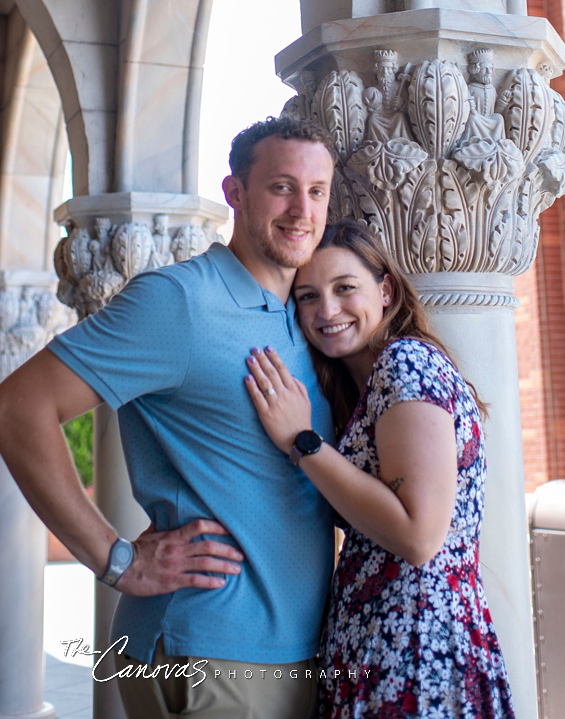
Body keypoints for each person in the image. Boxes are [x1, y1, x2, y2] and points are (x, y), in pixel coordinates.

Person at [0, 116, 338, 718]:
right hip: (206, 650)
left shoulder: (306, 315)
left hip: (297, 651)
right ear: (235, 193)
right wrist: (116, 559)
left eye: (316, 191)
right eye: (281, 187)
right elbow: (18, 407)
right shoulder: (178, 302)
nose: (301, 210)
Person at [242, 218, 513, 718]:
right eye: (307, 296)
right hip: (379, 637)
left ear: (385, 290)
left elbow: (418, 534)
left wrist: (302, 442)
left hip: (414, 639)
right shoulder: (366, 388)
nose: (327, 310)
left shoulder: (405, 364)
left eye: (345, 288)